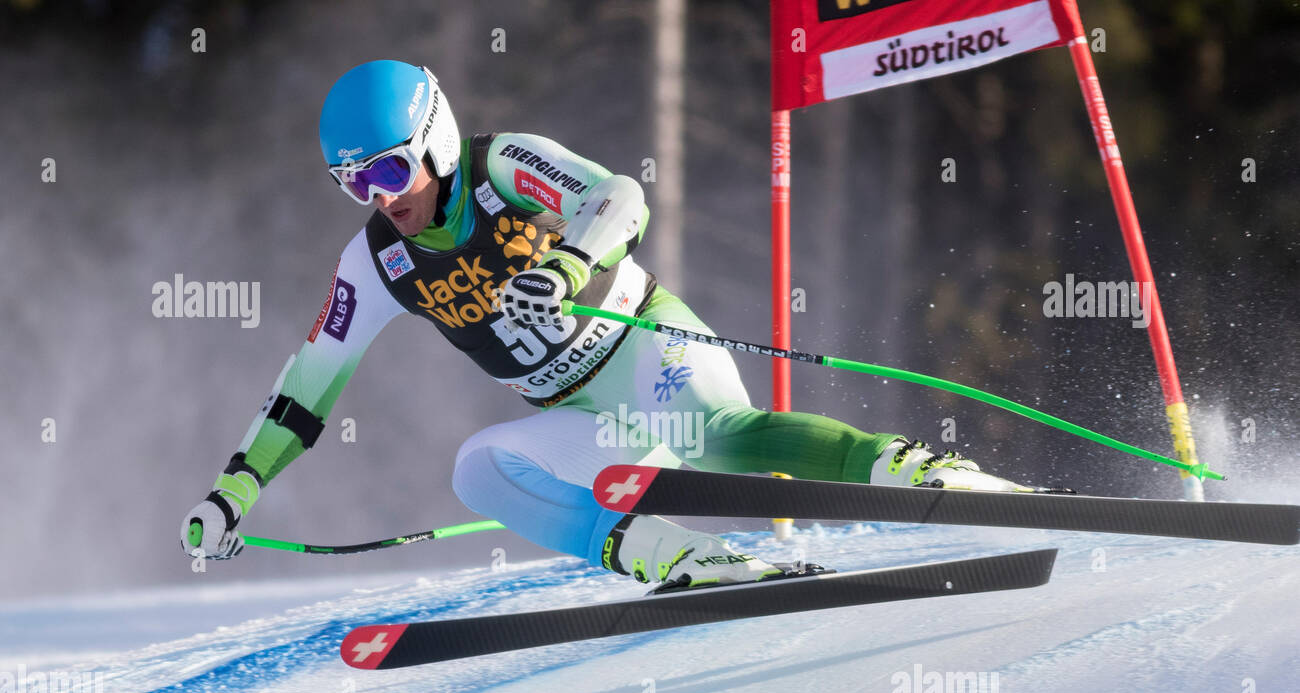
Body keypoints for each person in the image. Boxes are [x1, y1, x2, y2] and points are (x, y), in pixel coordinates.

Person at [182, 60, 1036, 589]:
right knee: (480, 471)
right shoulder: (374, 264)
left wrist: (562, 265)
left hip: (642, 344)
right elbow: (306, 388)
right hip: (580, 412)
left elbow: (617, 198)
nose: (383, 196)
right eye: (354, 182)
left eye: (392, 168)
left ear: (435, 142)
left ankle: (915, 473)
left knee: (716, 441)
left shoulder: (502, 164)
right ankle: (668, 558)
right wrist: (237, 489)